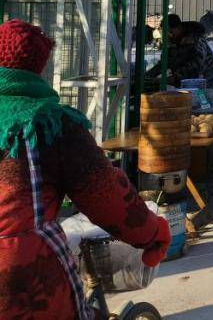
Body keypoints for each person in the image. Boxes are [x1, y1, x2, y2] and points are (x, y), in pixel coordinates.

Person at [0, 20, 172, 319]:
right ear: (37, 67)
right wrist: (153, 233)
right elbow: (107, 198)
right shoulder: (49, 124)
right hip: (24, 278)